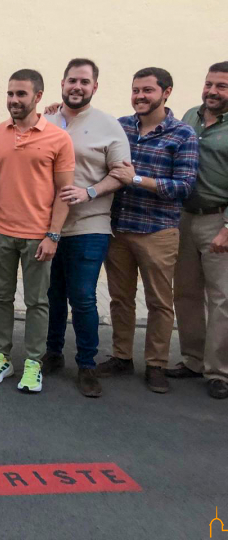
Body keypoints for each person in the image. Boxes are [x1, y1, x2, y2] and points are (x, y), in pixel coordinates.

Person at [0, 69, 75, 393]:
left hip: (38, 236)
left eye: (21, 94)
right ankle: (1, 357)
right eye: (10, 93)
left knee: (37, 302)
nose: (14, 100)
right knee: (1, 297)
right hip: (0, 232)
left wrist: (53, 235)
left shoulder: (58, 138)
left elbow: (64, 192)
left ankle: (33, 362)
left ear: (38, 97)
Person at [98, 67, 198, 394]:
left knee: (159, 302)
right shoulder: (120, 126)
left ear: (166, 93)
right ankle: (121, 356)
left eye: (147, 90)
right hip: (119, 227)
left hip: (158, 231)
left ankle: (156, 364)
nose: (140, 96)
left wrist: (137, 179)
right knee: (120, 298)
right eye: (135, 90)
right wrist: (57, 113)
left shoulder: (182, 134)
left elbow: (184, 186)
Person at [41, 59, 131, 398]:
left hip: (89, 226)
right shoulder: (46, 120)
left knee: (82, 297)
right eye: (72, 81)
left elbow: (123, 172)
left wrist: (89, 191)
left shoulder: (109, 125)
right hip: (48, 226)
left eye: (84, 82)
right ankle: (52, 354)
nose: (77, 87)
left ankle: (87, 365)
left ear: (95, 87)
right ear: (62, 83)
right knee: (52, 295)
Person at [169, 61, 228, 400]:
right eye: (209, 84)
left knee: (221, 299)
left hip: (218, 219)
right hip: (184, 216)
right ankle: (193, 359)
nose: (212, 91)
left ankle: (219, 371)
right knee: (186, 292)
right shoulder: (191, 115)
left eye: (221, 86)